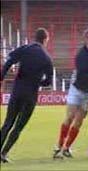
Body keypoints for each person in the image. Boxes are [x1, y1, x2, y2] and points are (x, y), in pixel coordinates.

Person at [0, 28, 54, 163]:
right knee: (19, 126)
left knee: (8, 123)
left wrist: (1, 76)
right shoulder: (47, 58)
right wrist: (37, 82)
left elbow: (9, 61)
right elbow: (48, 81)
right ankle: (4, 153)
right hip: (31, 95)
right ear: (45, 40)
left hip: (18, 90)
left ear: (35, 37)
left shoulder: (25, 48)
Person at [53, 29, 88, 159]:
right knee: (70, 116)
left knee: (79, 121)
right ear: (86, 40)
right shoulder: (81, 55)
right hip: (77, 89)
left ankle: (66, 148)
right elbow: (83, 74)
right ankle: (59, 146)